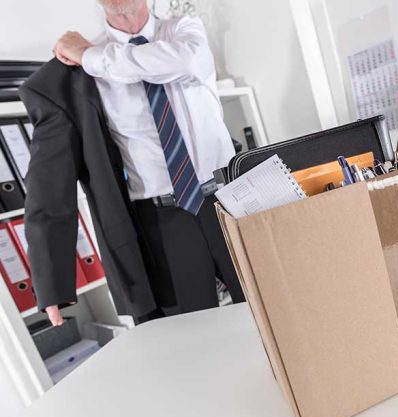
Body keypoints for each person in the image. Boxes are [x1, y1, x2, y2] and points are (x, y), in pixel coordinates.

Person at [19, 0, 244, 326]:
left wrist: (92, 57)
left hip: (227, 202)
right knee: (191, 341)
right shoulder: (74, 72)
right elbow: (49, 177)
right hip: (162, 223)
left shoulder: (183, 29)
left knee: (271, 310)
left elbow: (187, 60)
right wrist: (51, 280)